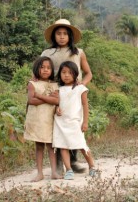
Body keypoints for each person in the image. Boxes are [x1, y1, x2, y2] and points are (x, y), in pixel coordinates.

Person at [41, 18, 93, 174]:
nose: (62, 36)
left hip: (74, 95)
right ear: (53, 36)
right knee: (56, 128)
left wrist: (81, 85)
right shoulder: (47, 53)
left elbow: (89, 73)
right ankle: (58, 165)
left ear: (70, 36)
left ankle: (74, 162)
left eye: (65, 33)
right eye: (58, 34)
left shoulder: (78, 52)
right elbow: (40, 70)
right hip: (54, 94)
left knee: (73, 127)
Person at [53, 61, 96, 180]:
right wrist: (56, 108)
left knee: (81, 145)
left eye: (70, 73)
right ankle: (69, 170)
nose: (66, 75)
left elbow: (85, 105)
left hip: (75, 121)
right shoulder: (58, 89)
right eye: (63, 72)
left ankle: (92, 167)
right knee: (63, 146)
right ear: (60, 74)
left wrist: (85, 122)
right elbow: (55, 103)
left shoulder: (80, 88)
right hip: (60, 122)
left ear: (75, 74)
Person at [23, 56, 62, 182]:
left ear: (52, 71)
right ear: (37, 69)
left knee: (51, 146)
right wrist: (47, 97)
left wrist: (39, 95)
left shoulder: (54, 85)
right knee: (39, 146)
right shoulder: (32, 83)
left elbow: (56, 100)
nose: (45, 70)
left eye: (48, 68)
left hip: (49, 120)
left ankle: (54, 172)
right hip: (37, 120)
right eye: (42, 67)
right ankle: (39, 173)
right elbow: (31, 100)